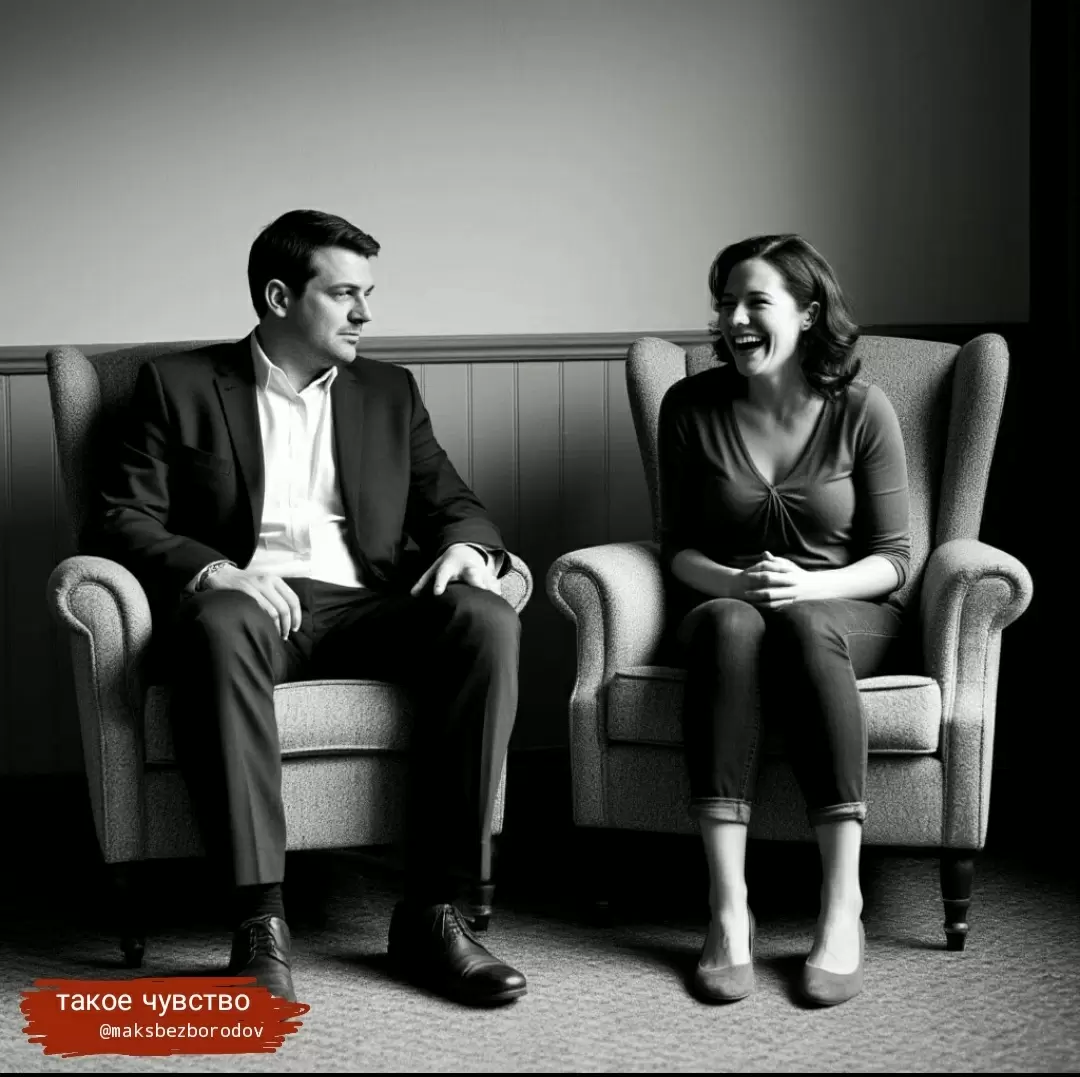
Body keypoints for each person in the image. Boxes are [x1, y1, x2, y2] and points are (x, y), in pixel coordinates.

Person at [95, 209, 527, 1008]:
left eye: (369, 294)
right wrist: (216, 571)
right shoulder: (178, 385)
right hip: (253, 610)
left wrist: (471, 549)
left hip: (371, 605)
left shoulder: (389, 391)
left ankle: (436, 911)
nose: (366, 314)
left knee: (486, 617)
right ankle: (259, 920)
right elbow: (124, 517)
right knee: (220, 622)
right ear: (279, 297)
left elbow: (454, 503)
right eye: (345, 294)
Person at [658, 234, 911, 1007]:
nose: (734, 319)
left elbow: (896, 558)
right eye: (724, 304)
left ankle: (842, 904)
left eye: (754, 302)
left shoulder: (863, 408)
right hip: (726, 604)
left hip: (844, 612)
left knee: (804, 626)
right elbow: (677, 549)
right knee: (731, 625)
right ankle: (728, 908)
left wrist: (812, 586)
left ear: (806, 312)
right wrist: (737, 582)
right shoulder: (688, 406)